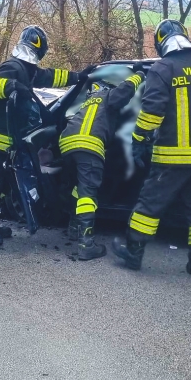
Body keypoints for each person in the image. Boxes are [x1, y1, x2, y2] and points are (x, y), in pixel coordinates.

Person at [111, 19, 191, 282]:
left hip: (172, 156)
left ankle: (133, 252)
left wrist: (139, 138)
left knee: (149, 203)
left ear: (160, 42)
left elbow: (153, 110)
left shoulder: (163, 68)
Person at [0, 25, 88, 247]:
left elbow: (50, 76)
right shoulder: (13, 66)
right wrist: (12, 85)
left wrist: (78, 77)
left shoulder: (28, 69)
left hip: (8, 139)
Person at [60, 68, 145, 260]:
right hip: (88, 145)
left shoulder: (88, 102)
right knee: (88, 194)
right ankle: (86, 244)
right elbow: (125, 90)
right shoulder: (108, 96)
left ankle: (74, 228)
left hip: (67, 144)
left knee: (78, 189)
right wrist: (139, 75)